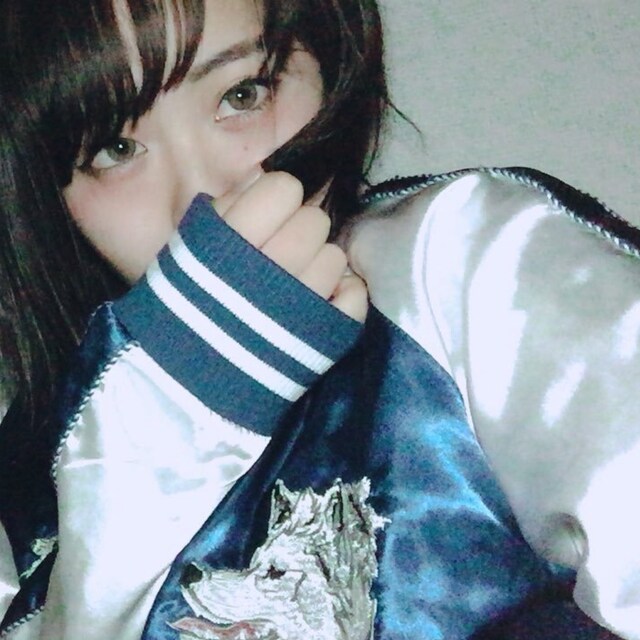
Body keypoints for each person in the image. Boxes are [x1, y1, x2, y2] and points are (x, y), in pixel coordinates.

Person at [0, 0, 638, 639]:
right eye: (116, 147)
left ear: (332, 66)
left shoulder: (463, 259)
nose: (202, 199)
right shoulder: (31, 471)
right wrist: (163, 412)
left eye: (242, 95)